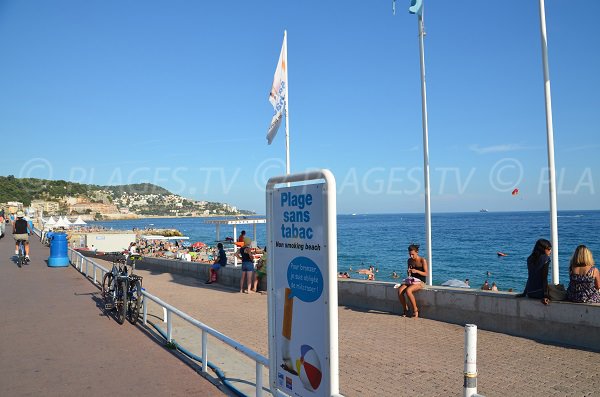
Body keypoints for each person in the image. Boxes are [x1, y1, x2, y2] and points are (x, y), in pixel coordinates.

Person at [516, 239, 552, 305]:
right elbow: (544, 278)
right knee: (560, 290)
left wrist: (524, 293)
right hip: (540, 293)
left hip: (530, 292)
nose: (550, 251)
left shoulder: (529, 258)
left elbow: (530, 276)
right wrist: (545, 295)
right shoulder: (546, 259)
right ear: (543, 249)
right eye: (549, 249)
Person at [397, 244, 428, 318]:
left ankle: (415, 310)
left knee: (408, 291)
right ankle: (405, 309)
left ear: (417, 252)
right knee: (400, 291)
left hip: (420, 281)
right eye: (410, 254)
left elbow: (426, 273)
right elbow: (409, 273)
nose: (411, 256)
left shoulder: (422, 260)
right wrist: (409, 271)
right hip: (411, 280)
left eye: (413, 254)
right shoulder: (409, 260)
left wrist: (416, 271)